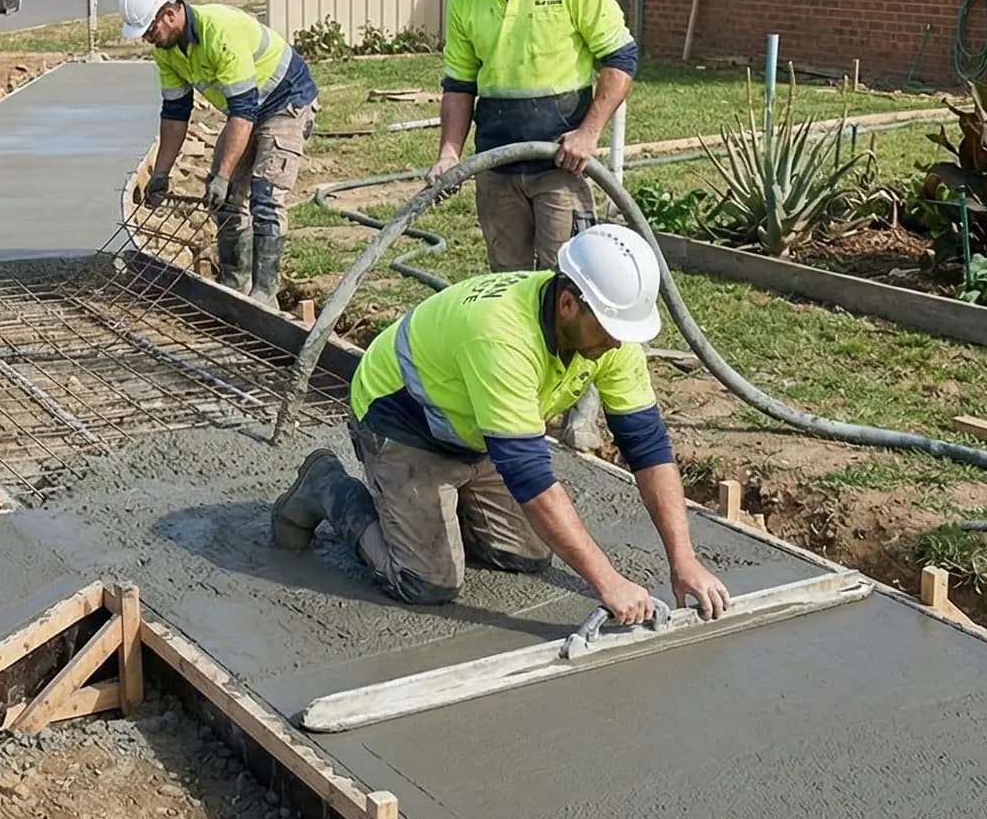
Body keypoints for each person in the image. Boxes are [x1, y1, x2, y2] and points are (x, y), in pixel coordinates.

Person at [269, 223, 730, 625]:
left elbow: (647, 446)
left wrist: (683, 560)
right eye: (609, 329)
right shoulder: (503, 335)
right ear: (568, 304)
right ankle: (327, 485)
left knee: (525, 554)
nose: (616, 343)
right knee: (428, 582)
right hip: (400, 420)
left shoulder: (611, 338)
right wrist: (608, 582)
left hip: (473, 428)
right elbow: (529, 476)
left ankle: (439, 508)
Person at [427, 0, 638, 447]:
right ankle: (522, 395)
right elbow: (458, 85)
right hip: (497, 168)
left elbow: (620, 60)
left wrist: (590, 131)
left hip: (561, 168)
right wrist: (450, 150)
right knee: (512, 288)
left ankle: (582, 408)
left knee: (575, 285)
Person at [118, 0, 319, 306]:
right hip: (247, 111)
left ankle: (264, 296)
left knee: (265, 198)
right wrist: (161, 173)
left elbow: (242, 111)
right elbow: (175, 113)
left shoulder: (219, 32)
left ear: (170, 13)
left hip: (286, 102)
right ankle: (234, 286)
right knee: (225, 200)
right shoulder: (166, 50)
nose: (147, 38)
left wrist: (224, 175)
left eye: (150, 29)